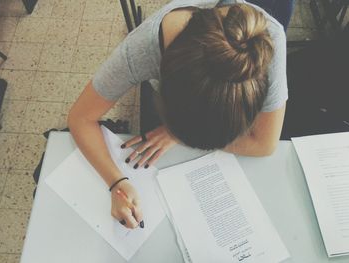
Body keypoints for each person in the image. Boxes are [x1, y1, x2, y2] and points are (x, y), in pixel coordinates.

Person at [67, 0, 293, 229]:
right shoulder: (141, 49)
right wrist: (116, 181)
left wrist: (177, 135)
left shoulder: (264, 44)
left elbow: (264, 144)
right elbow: (80, 118)